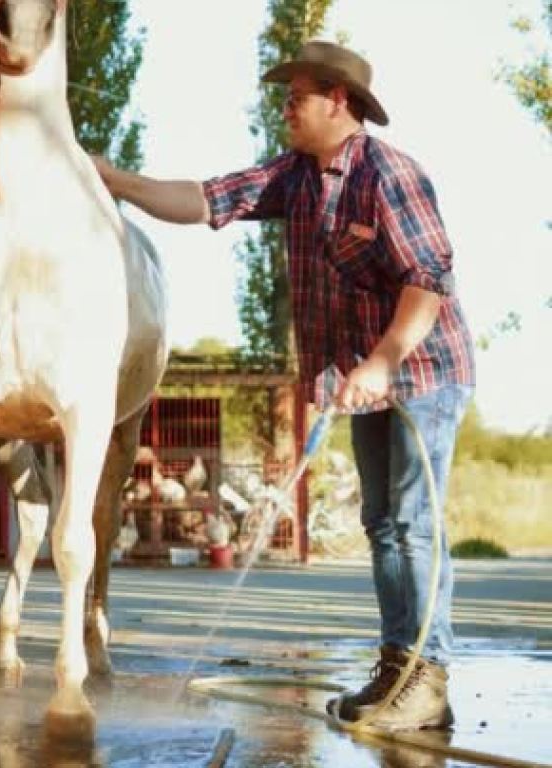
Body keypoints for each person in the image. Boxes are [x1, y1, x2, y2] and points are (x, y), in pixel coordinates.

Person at [93, 40, 475, 730]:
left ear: (338, 100)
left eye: (296, 95)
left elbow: (429, 280)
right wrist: (113, 179)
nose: (284, 106)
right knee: (382, 526)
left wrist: (384, 359)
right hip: (371, 380)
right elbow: (206, 199)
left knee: (414, 527)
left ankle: (429, 675)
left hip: (422, 373)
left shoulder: (391, 176)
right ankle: (398, 669)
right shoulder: (295, 177)